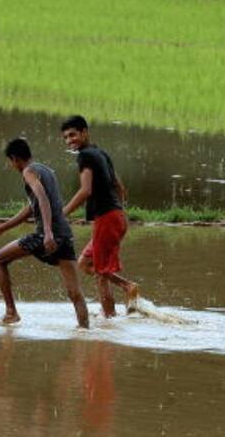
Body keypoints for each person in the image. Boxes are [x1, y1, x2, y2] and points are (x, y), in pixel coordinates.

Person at [0, 138, 89, 328]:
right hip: (64, 234)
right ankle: (85, 332)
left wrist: (47, 232)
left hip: (47, 235)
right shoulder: (46, 170)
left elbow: (42, 197)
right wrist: (0, 229)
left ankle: (11, 313)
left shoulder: (28, 171)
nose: (10, 165)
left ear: (14, 159)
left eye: (9, 161)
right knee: (75, 293)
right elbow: (32, 208)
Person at [60, 115, 139, 317]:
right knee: (86, 264)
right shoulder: (100, 152)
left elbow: (85, 191)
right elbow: (120, 187)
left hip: (108, 219)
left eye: (73, 135)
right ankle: (126, 287)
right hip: (116, 217)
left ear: (85, 132)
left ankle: (109, 319)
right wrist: (118, 213)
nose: (70, 141)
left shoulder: (85, 156)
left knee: (101, 273)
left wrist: (61, 214)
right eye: (66, 138)